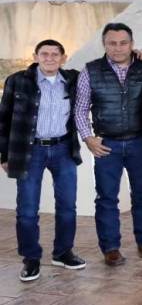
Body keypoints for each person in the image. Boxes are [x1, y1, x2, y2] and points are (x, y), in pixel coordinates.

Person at [1, 40, 85, 282]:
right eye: (44, 54)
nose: (49, 58)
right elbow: (4, 118)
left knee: (68, 206)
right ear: (35, 56)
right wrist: (4, 154)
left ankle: (63, 253)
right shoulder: (17, 80)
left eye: (55, 54)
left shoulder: (73, 80)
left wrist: (136, 55)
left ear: (63, 57)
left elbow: (101, 72)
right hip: (30, 152)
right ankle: (31, 259)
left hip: (63, 149)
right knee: (27, 210)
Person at [75, 22, 142, 266]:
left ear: (132, 44)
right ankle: (110, 248)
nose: (118, 48)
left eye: (124, 43)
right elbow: (80, 109)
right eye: (112, 43)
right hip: (106, 145)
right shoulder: (90, 71)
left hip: (140, 141)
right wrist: (88, 138)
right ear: (105, 44)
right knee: (106, 198)